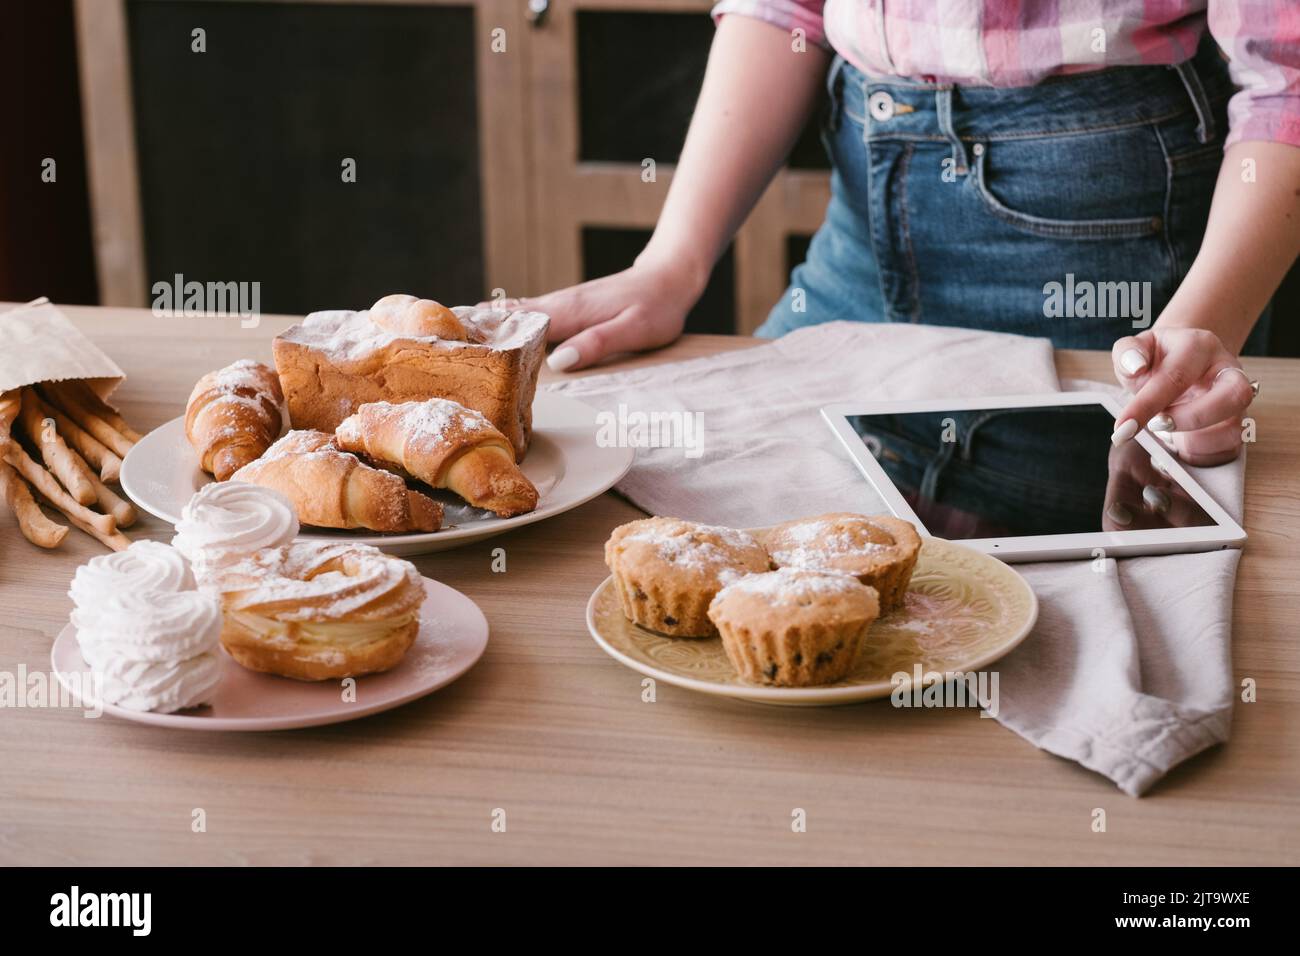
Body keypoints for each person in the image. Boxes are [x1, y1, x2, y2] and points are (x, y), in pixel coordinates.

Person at [520, 2, 1298, 467]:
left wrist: (1204, 327)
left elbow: (1288, 80)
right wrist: (672, 263)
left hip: (1111, 254)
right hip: (861, 238)